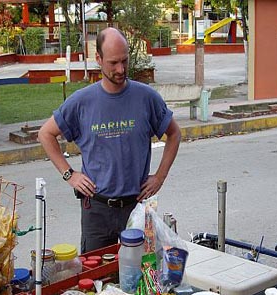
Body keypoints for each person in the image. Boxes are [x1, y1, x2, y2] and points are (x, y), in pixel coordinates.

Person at [38, 27, 181, 253]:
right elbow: (45, 134)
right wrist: (70, 174)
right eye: (113, 63)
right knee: (96, 279)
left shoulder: (146, 98)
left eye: (124, 61)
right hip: (96, 210)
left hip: (135, 208)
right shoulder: (82, 102)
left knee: (138, 277)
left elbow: (174, 134)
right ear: (98, 59)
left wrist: (160, 177)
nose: (121, 69)